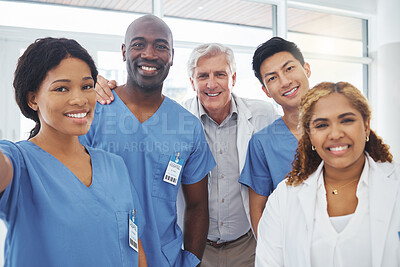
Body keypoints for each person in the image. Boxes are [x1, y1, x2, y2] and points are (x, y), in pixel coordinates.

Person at [80, 15, 216, 266]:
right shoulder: (93, 112)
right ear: (123, 52)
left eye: (161, 46)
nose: (149, 54)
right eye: (138, 44)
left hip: (165, 258)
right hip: (101, 255)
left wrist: (190, 261)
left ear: (172, 56)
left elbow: (197, 206)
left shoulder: (188, 126)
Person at [0, 37, 146, 266]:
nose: (79, 99)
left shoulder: (115, 166)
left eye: (87, 86)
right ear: (33, 99)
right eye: (61, 88)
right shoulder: (20, 164)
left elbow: (134, 245)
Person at [256, 82, 399, 267]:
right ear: (310, 135)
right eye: (322, 125)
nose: (335, 134)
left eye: (346, 120)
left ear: (366, 125)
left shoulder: (395, 184)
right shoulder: (283, 199)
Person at [180, 43, 280, 267]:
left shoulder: (263, 116)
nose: (211, 83)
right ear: (192, 82)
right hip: (196, 249)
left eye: (220, 74)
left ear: (233, 78)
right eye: (203, 76)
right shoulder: (178, 119)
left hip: (248, 247)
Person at [239, 37, 311, 237]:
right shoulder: (262, 144)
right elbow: (258, 213)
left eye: (289, 69)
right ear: (266, 91)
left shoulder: (342, 124)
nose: (285, 82)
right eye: (272, 78)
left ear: (307, 69)